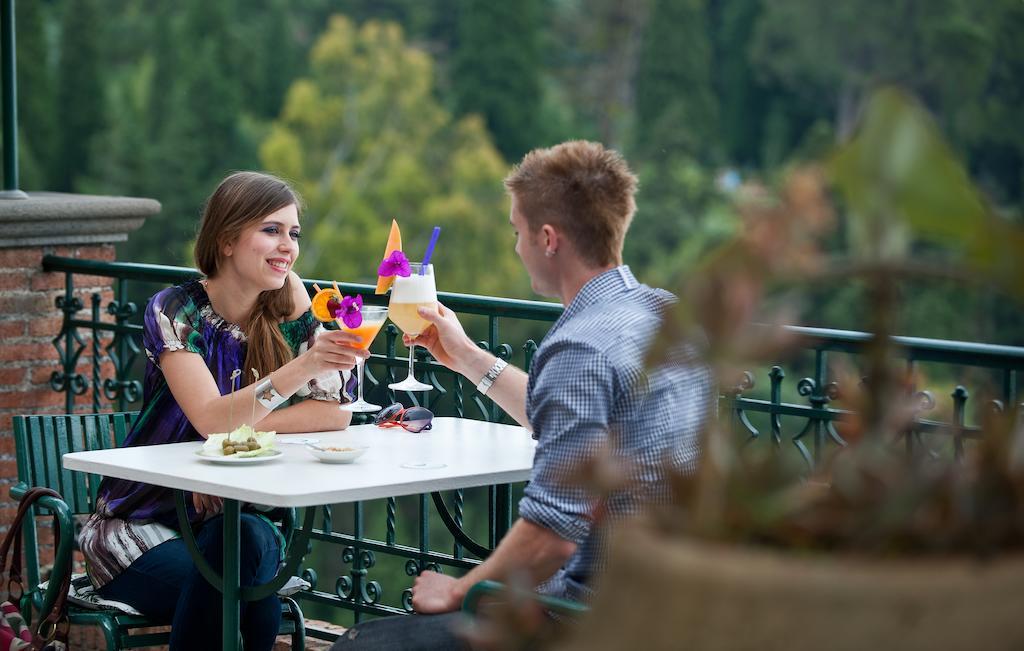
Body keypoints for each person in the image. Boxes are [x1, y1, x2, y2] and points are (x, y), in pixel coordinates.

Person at [331, 141, 712, 650]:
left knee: (360, 644)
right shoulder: (665, 315)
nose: (516, 246)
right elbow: (572, 419)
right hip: (683, 601)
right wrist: (465, 356)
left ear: (548, 238)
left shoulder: (579, 346)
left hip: (595, 615)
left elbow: (553, 533)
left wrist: (460, 589)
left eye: (517, 231)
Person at [78, 171, 369, 651]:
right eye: (271, 230)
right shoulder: (174, 310)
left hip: (242, 516)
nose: (288, 245)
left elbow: (336, 413)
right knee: (239, 587)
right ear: (228, 240)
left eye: (293, 233)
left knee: (246, 543)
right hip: (142, 525)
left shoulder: (295, 311)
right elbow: (212, 419)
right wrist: (302, 370)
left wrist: (238, 432)